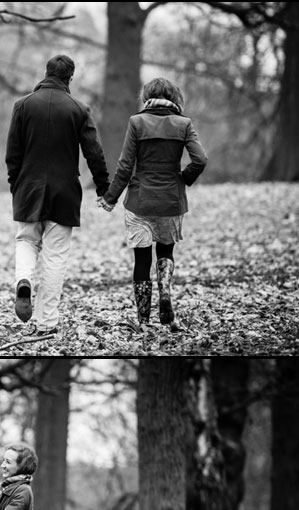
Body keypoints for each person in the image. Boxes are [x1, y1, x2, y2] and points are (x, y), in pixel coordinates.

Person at [5, 53, 109, 337]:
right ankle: (47, 321)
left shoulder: (23, 106)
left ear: (46, 73)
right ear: (69, 78)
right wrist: (103, 188)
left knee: (26, 240)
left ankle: (24, 280)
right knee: (55, 256)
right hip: (64, 192)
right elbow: (94, 153)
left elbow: (13, 154)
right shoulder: (79, 109)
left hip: (28, 187)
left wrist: (17, 185)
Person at [98, 77, 208, 330]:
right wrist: (183, 178)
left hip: (140, 200)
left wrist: (110, 197)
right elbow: (200, 159)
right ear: (174, 97)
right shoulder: (184, 124)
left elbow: (126, 166)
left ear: (147, 96)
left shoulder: (137, 122)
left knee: (142, 260)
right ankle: (165, 292)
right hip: (171, 199)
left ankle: (144, 319)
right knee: (166, 252)